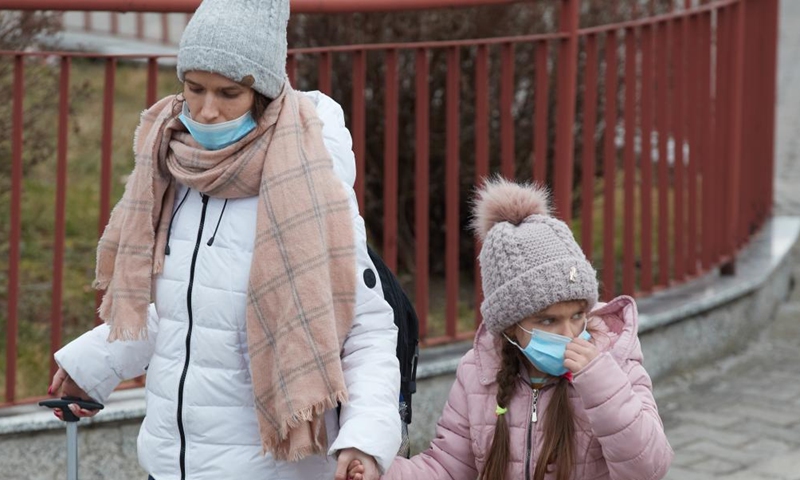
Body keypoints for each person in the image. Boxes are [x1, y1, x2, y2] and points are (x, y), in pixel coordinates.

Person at [47, 1, 401, 479]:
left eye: (228, 93)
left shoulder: (313, 186)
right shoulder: (173, 168)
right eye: (194, 89)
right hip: (170, 464)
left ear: (264, 94)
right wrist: (95, 366)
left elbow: (365, 331)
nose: (208, 111)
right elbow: (188, 309)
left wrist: (364, 440)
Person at [355, 178, 674, 479]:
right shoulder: (479, 373)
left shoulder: (615, 361)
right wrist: (381, 473)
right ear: (509, 326)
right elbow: (448, 468)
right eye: (547, 320)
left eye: (577, 315)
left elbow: (649, 468)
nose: (569, 334)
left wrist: (602, 385)